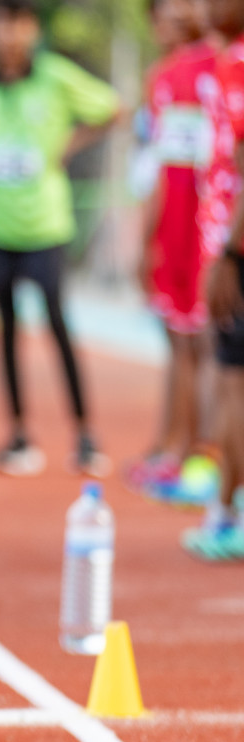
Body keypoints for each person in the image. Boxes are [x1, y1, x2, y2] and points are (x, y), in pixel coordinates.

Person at [0, 0, 121, 477]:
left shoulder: (56, 77)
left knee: (57, 324)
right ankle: (19, 433)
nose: (8, 33)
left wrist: (67, 147)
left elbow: (111, 108)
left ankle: (85, 433)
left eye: (17, 22)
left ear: (32, 28)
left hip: (44, 223)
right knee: (5, 328)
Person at [130, 0, 218, 504]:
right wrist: (149, 238)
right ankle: (178, 449)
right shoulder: (161, 78)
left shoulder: (224, 65)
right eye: (160, 12)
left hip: (212, 231)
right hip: (175, 229)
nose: (175, 16)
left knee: (207, 347)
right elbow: (165, 166)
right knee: (181, 343)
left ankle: (204, 454)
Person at [186, 0, 244, 558]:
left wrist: (228, 252)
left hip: (238, 249)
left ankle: (229, 512)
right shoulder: (225, 64)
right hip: (226, 242)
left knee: (232, 385)